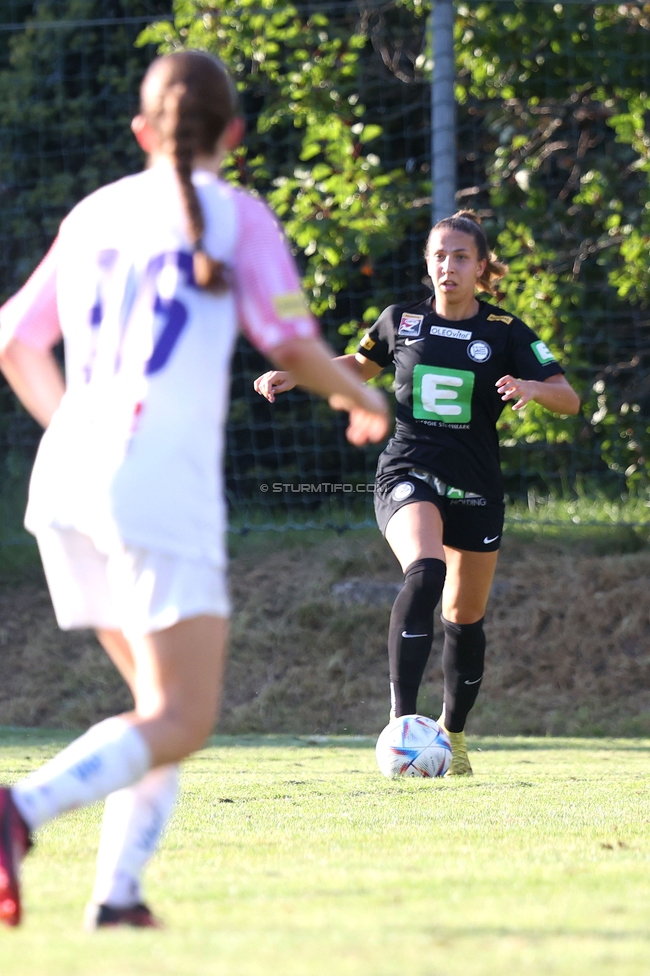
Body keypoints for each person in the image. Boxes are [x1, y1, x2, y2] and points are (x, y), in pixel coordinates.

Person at [0, 50, 389, 929]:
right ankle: (18, 810)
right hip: (153, 484)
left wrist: (75, 427)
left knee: (154, 711)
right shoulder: (237, 215)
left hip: (65, 479)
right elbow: (289, 343)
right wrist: (362, 395)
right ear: (236, 135)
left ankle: (118, 894)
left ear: (141, 131)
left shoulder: (94, 211)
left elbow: (14, 342)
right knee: (183, 717)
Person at [254, 210, 580, 776]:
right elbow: (359, 365)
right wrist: (299, 372)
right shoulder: (400, 320)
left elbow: (568, 397)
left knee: (465, 617)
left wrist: (531, 386)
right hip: (407, 468)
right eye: (438, 256)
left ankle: (452, 735)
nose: (448, 266)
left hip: (476, 483)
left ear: (481, 267)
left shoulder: (505, 332)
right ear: (427, 265)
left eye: (460, 257)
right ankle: (402, 725)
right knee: (425, 570)